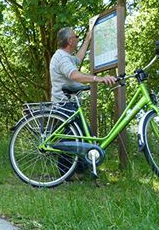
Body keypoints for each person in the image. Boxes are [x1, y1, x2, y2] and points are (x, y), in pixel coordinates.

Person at [50, 23, 116, 178]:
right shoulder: (61, 57)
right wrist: (99, 79)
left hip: (68, 103)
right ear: (70, 41)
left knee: (84, 135)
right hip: (64, 103)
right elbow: (74, 75)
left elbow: (78, 59)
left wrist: (88, 39)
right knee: (74, 137)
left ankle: (78, 171)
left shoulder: (66, 56)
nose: (77, 39)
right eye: (76, 36)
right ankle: (68, 173)